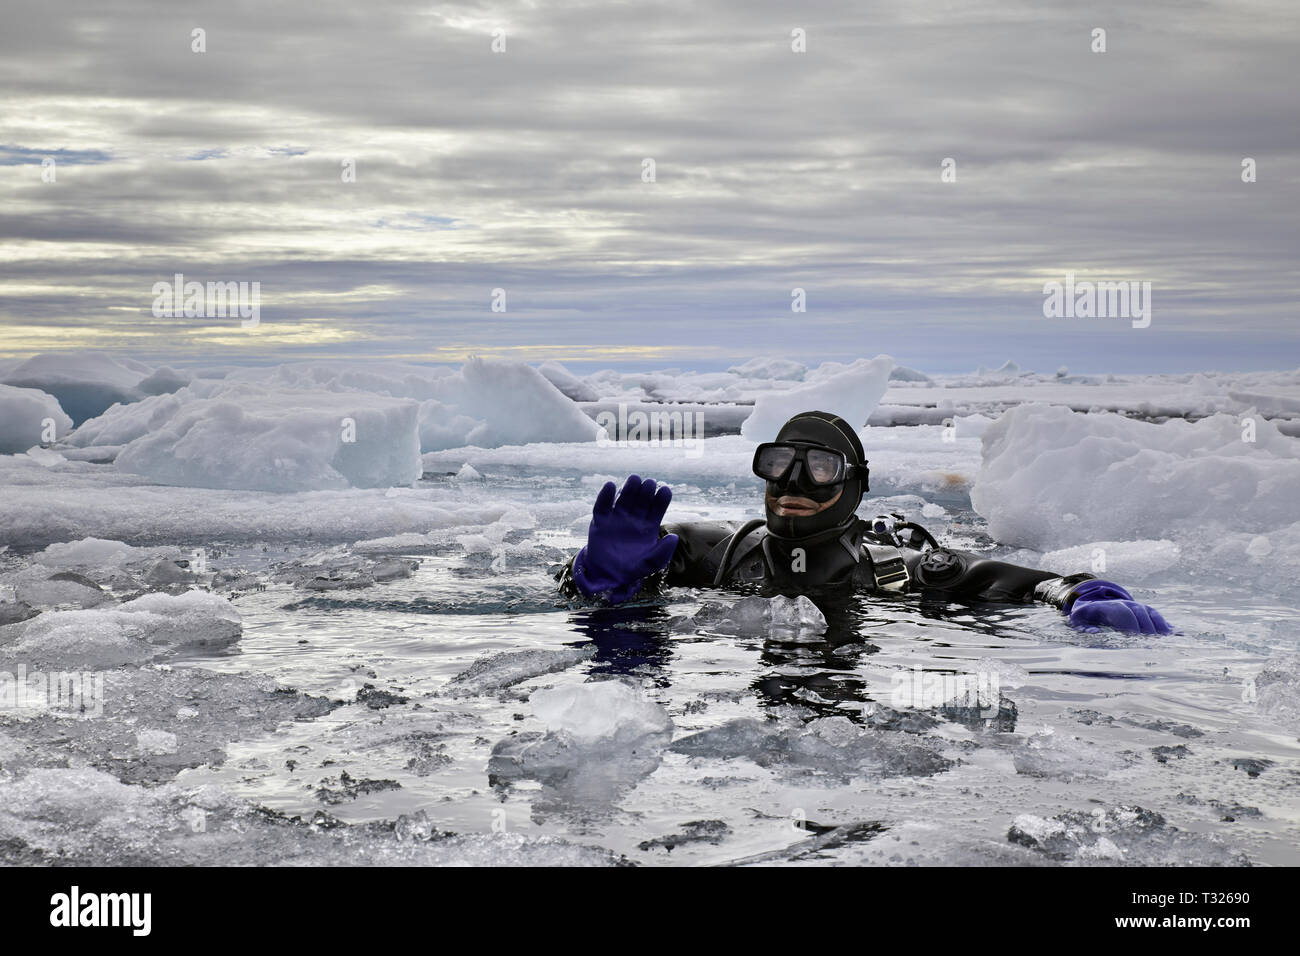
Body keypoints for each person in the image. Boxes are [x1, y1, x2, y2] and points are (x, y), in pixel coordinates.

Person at [557, 409, 1171, 634]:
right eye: (778, 464)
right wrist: (593, 577)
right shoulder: (714, 551)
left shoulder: (898, 573)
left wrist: (1075, 589)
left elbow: (992, 576)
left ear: (853, 484)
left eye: (818, 468)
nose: (792, 484)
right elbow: (581, 591)